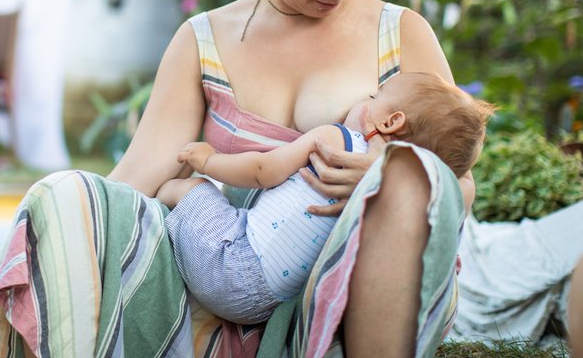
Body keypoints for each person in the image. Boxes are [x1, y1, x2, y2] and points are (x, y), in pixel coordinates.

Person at [0, 0, 476, 358]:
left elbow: (461, 185)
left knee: (405, 200)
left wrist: (387, 180)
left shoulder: (400, 34)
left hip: (350, 298)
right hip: (211, 291)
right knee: (67, 195)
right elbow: (134, 182)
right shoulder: (202, 41)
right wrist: (81, 224)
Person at [156, 71, 492, 325]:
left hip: (233, 266)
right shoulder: (388, 201)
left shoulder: (339, 140)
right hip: (269, 305)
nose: (365, 100)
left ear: (391, 121)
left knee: (190, 189)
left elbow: (263, 170)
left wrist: (208, 160)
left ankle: (158, 211)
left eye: (375, 97)